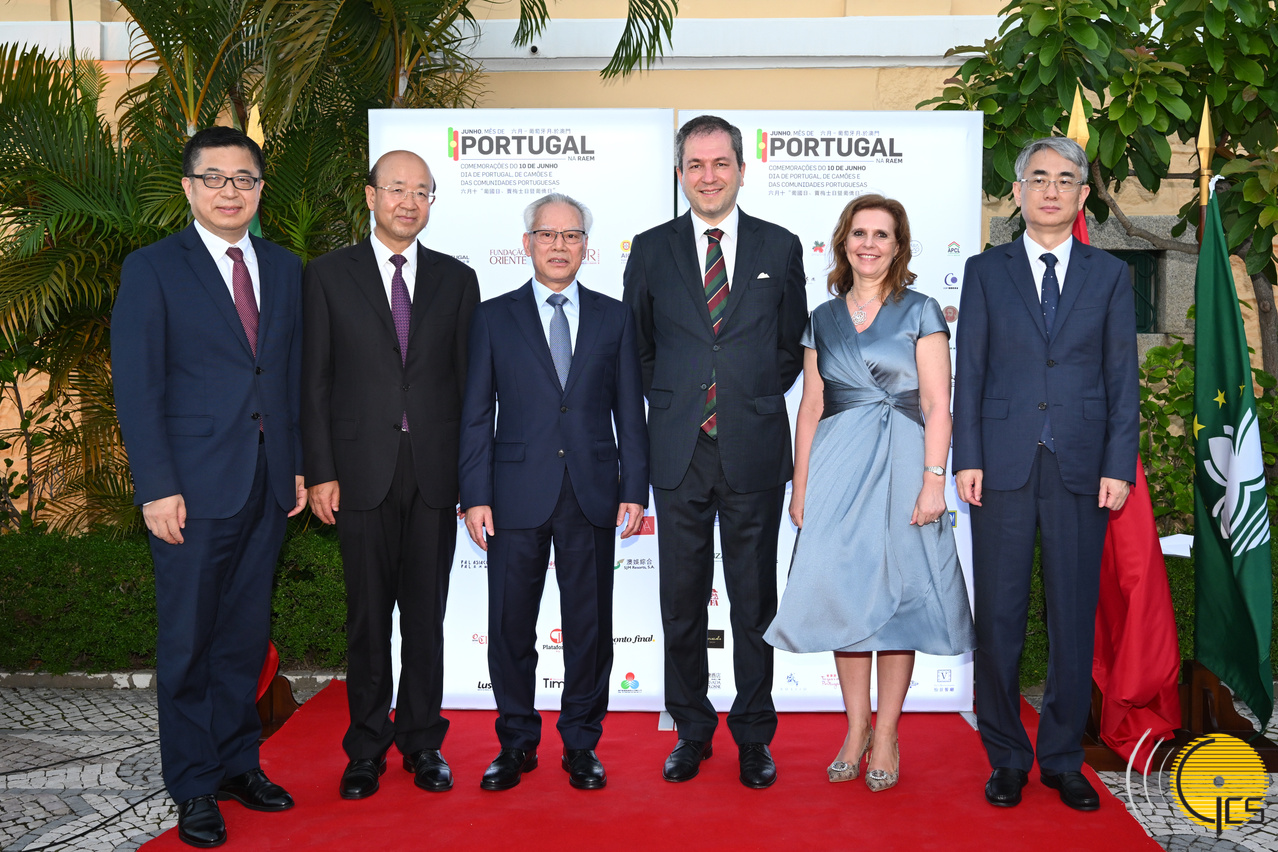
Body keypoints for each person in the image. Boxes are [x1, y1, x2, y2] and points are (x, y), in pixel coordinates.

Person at [113, 126, 306, 848]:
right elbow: (138, 386)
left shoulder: (284, 268)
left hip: (265, 483)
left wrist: (296, 462)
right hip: (189, 491)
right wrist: (156, 486)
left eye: (244, 179)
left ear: (260, 190)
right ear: (190, 188)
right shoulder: (153, 268)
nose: (231, 191)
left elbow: (287, 377)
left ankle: (236, 765)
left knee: (243, 638)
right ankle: (194, 784)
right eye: (216, 178)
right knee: (189, 643)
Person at [765, 195, 976, 792]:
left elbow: (936, 403)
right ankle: (855, 728)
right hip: (837, 466)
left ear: (898, 245)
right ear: (844, 242)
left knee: (901, 597)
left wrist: (934, 480)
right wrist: (802, 486)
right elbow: (810, 407)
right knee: (845, 595)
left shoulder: (921, 309)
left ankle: (886, 734)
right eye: (860, 233)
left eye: (882, 235)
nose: (869, 244)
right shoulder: (822, 317)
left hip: (906, 462)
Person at [953, 136, 1138, 811]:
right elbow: (970, 369)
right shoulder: (985, 270)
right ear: (1019, 191)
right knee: (999, 619)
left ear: (1083, 195)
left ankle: (1061, 758)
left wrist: (1119, 463)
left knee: (1072, 618)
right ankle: (1006, 756)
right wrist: (967, 456)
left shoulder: (1110, 274)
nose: (1051, 190)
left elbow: (1122, 378)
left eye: (1065, 179)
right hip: (1000, 465)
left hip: (1082, 468)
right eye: (1038, 178)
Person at [623, 115, 807, 789]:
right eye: (696, 165)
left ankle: (754, 736)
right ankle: (692, 730)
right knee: (680, 601)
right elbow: (639, 348)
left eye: (720, 163)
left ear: (741, 169)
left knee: (754, 602)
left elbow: (789, 347)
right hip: (679, 450)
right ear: (680, 173)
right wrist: (680, 401)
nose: (708, 176)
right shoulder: (651, 249)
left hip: (753, 447)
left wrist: (742, 396)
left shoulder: (780, 246)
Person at [301, 150, 480, 800]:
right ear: (370, 195)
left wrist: (471, 480)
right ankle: (366, 749)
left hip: (434, 474)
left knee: (425, 618)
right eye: (397, 188)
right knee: (368, 619)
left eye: (421, 191)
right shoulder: (327, 275)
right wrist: (319, 471)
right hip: (358, 474)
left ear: (432, 202)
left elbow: (471, 389)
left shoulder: (457, 280)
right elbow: (313, 381)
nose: (409, 201)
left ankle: (423, 743)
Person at [459, 193, 649, 791]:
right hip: (513, 494)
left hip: (591, 492)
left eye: (571, 235)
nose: (559, 245)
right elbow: (475, 414)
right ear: (528, 244)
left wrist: (634, 488)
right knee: (510, 626)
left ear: (586, 246)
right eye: (548, 234)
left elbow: (630, 412)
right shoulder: (493, 317)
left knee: (589, 628)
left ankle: (581, 744)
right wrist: (474, 494)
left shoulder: (614, 317)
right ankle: (516, 742)